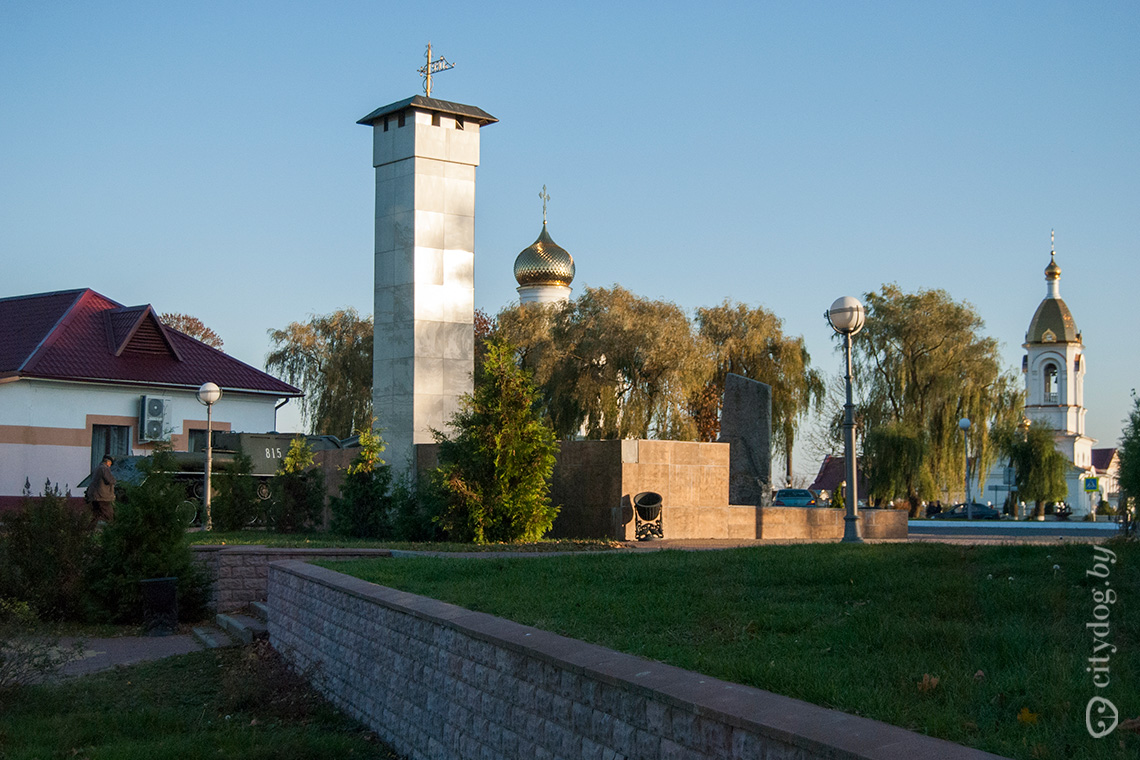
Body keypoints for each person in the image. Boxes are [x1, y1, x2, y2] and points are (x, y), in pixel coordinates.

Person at [86, 455, 116, 523]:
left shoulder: (97, 468)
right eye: (110, 463)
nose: (110, 465)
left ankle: (91, 531)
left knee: (95, 515)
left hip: (94, 496)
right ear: (107, 462)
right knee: (109, 515)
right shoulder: (104, 468)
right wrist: (115, 481)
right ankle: (109, 531)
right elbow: (110, 480)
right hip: (103, 497)